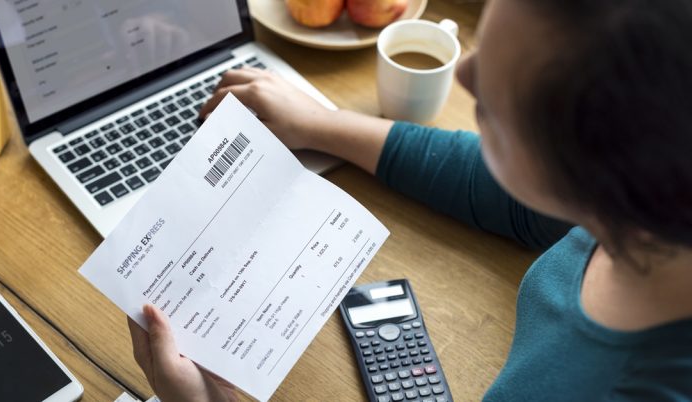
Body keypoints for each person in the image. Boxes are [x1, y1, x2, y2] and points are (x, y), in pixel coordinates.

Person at [128, 0, 692, 400]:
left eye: (496, 99)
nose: (466, 73)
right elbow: (512, 193)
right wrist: (325, 125)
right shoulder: (654, 203)